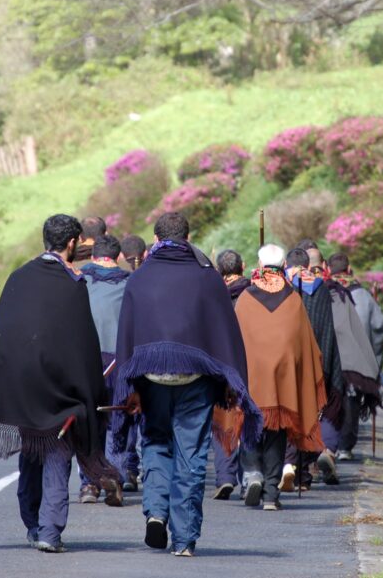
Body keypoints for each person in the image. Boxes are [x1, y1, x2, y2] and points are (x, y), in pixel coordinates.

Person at [0, 214, 115, 553]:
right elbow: (83, 344)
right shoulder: (72, 284)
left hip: (21, 388)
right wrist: (91, 391)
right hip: (58, 391)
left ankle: (33, 524)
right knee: (57, 454)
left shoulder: (18, 278)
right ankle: (49, 532)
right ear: (72, 243)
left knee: (32, 452)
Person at [112, 212, 261, 557]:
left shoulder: (139, 278)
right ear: (189, 236)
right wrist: (229, 381)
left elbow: (126, 339)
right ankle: (184, 539)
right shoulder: (207, 277)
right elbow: (225, 332)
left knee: (155, 443)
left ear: (156, 236)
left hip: (151, 380)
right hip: (196, 379)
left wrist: (129, 387)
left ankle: (156, 512)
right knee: (191, 455)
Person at [234, 244, 327, 511]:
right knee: (277, 434)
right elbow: (305, 345)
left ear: (260, 265)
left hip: (253, 377)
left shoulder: (246, 298)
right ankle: (272, 494)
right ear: (283, 264)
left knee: (251, 426)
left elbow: (235, 340)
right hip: (284, 380)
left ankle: (253, 473)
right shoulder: (293, 299)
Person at [282, 247, 343, 490]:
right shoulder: (321, 289)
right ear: (308, 265)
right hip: (317, 360)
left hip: (290, 359)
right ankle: (304, 475)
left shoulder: (283, 287)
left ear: (287, 264)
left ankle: (290, 466)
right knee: (310, 416)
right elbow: (328, 328)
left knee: (289, 414)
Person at [78, 234, 131, 503]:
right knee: (117, 422)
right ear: (117, 256)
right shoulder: (129, 283)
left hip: (85, 360)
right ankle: (114, 477)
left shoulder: (79, 281)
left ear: (92, 255)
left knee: (87, 422)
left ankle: (88, 484)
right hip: (118, 362)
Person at [324, 253, 383, 461]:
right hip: (358, 360)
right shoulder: (365, 296)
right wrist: (375, 362)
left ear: (328, 269)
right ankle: (345, 447)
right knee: (352, 399)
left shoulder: (325, 292)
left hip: (331, 357)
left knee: (331, 399)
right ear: (349, 270)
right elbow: (378, 327)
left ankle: (328, 444)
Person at [210, 249, 249, 500]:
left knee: (223, 418)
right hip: (247, 363)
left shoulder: (215, 296)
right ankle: (248, 477)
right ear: (243, 267)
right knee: (246, 419)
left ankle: (225, 476)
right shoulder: (252, 293)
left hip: (222, 363)